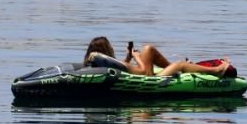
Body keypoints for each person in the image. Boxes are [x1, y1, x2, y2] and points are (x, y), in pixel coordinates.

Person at [83, 36, 231, 77]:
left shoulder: (101, 64)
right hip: (147, 78)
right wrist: (136, 56)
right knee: (180, 64)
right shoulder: (110, 65)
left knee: (149, 50)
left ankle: (173, 67)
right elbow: (141, 71)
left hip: (142, 74)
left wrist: (128, 57)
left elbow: (123, 66)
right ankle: (217, 70)